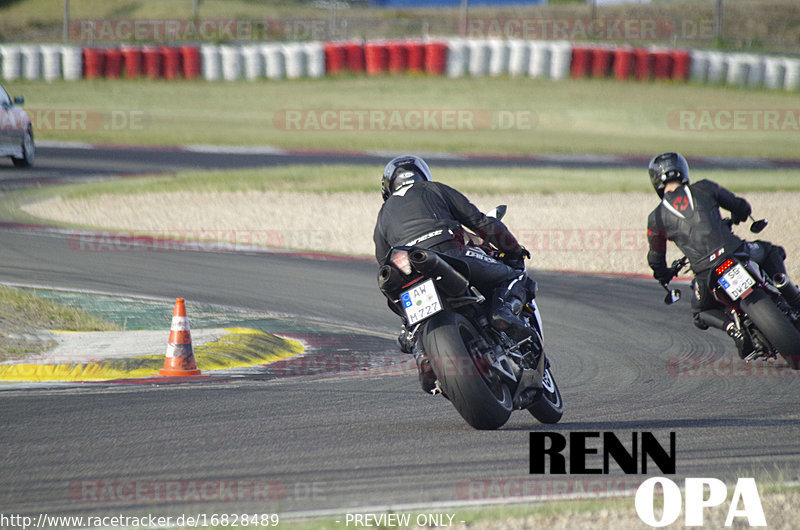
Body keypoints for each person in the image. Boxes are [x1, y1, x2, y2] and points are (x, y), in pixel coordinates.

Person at [373, 154, 535, 391]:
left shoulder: (383, 214)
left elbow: (382, 262)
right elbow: (481, 223)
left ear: (388, 187)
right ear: (422, 176)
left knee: (409, 323)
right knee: (516, 277)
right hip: (449, 254)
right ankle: (503, 312)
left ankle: (422, 354)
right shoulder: (434, 189)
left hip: (404, 273)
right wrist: (513, 251)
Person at [646, 151, 798, 359]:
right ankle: (791, 297)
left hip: (706, 273)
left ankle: (734, 330)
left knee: (700, 312)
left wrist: (663, 274)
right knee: (770, 250)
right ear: (683, 171)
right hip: (736, 252)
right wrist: (741, 215)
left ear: (656, 181)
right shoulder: (705, 187)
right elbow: (741, 206)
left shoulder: (655, 218)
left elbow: (655, 258)